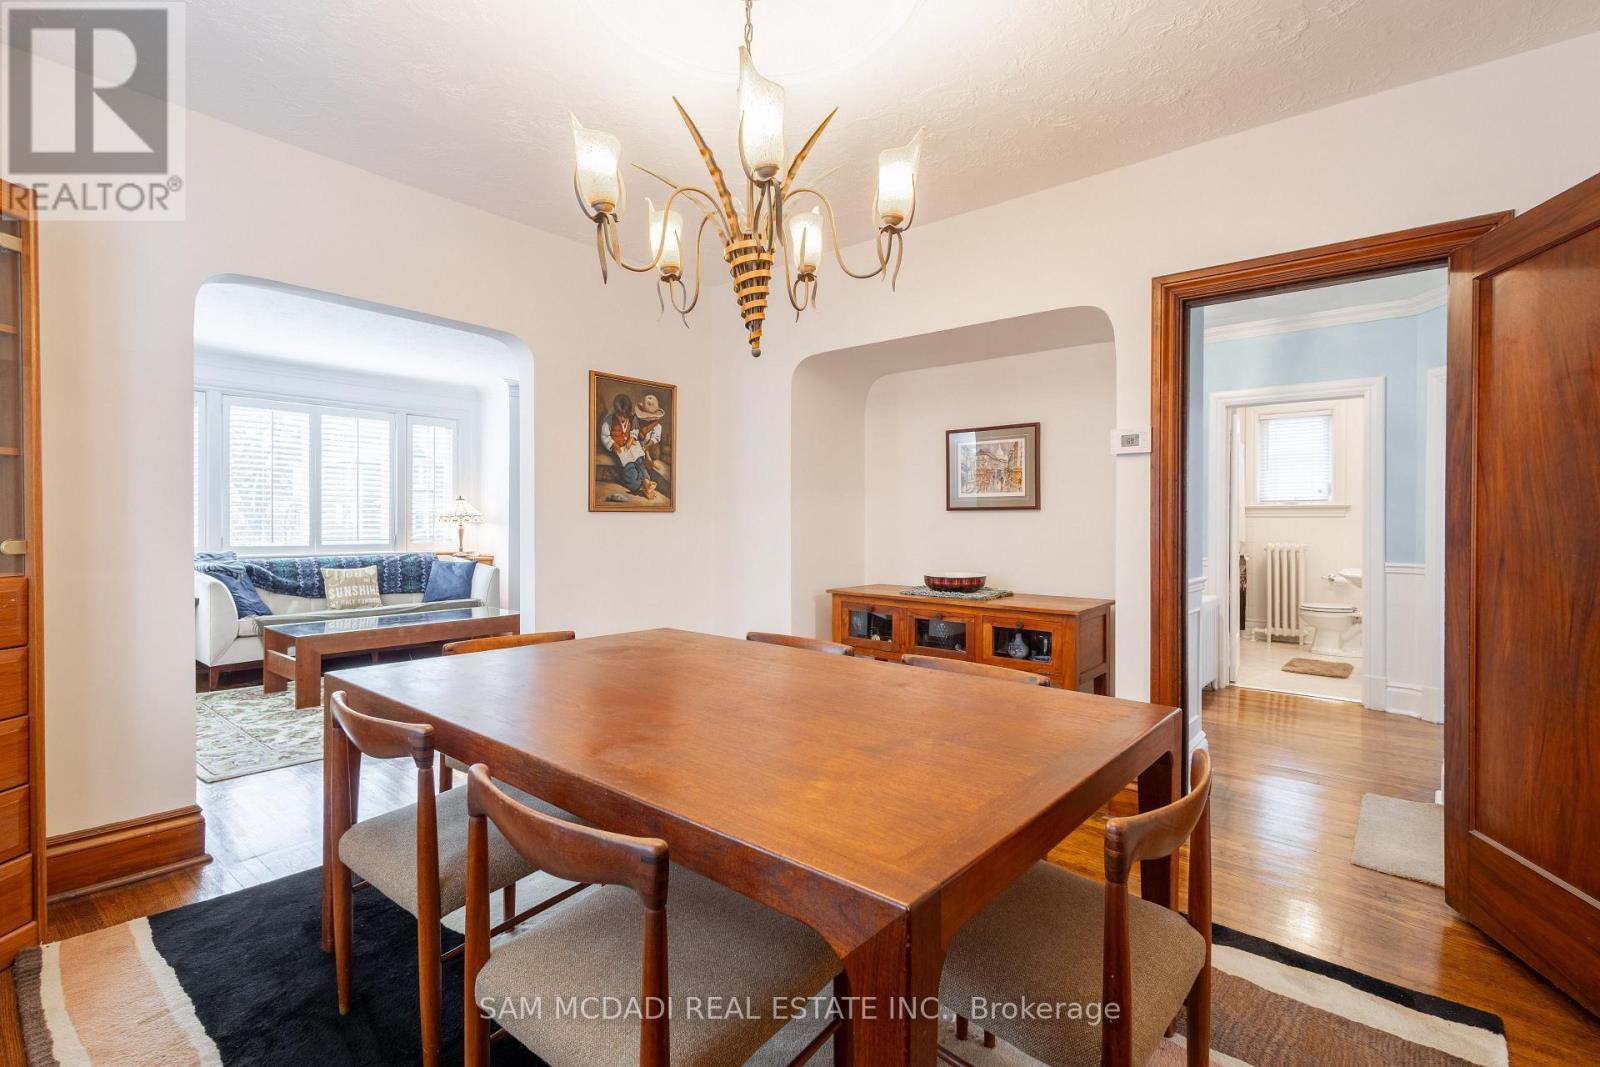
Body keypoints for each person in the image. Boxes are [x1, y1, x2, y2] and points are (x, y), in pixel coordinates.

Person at [599, 393, 671, 500]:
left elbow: (635, 429)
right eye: (620, 415)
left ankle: (646, 481)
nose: (622, 418)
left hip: (631, 446)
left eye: (625, 416)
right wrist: (613, 445)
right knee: (629, 467)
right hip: (620, 449)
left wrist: (631, 438)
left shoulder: (632, 419)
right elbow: (605, 436)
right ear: (616, 412)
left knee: (640, 462)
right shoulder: (609, 421)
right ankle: (641, 488)